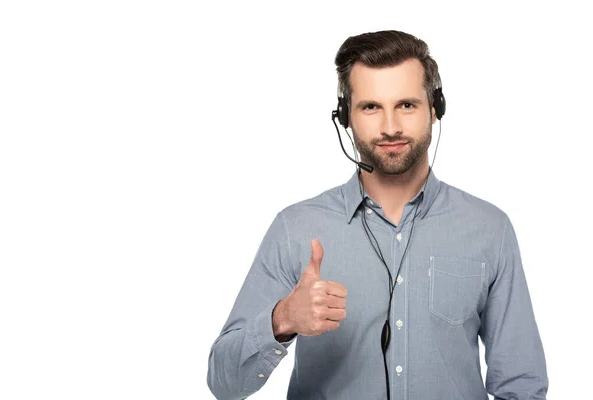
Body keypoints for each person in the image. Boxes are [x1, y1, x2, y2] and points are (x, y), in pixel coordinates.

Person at [206, 29, 548, 400]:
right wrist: (282, 319)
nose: (389, 127)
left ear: (435, 110)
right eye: (370, 107)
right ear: (345, 116)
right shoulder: (295, 228)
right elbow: (223, 384)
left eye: (406, 105)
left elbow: (521, 384)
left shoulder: (489, 228)